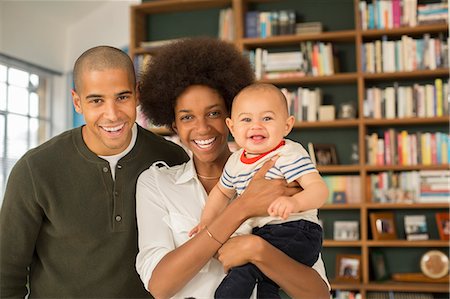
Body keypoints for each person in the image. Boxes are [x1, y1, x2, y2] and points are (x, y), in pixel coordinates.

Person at [136, 37, 330, 299]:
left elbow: (318, 294)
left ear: (230, 119)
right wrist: (243, 207)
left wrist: (257, 249)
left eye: (213, 113)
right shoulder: (157, 184)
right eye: (187, 117)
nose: (202, 128)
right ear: (174, 127)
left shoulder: (280, 170)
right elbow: (159, 287)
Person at [0, 46, 189, 298]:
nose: (112, 115)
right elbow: (5, 273)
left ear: (137, 94)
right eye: (96, 100)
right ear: (77, 102)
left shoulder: (173, 159)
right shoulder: (35, 169)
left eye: (122, 97)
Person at [189, 83, 329, 298]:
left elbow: (319, 191)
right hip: (264, 235)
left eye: (267, 118)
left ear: (287, 125)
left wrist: (295, 203)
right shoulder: (235, 162)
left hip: (296, 230)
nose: (256, 126)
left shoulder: (287, 154)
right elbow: (220, 193)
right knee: (263, 284)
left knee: (241, 276)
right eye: (246, 119)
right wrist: (207, 222)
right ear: (232, 127)